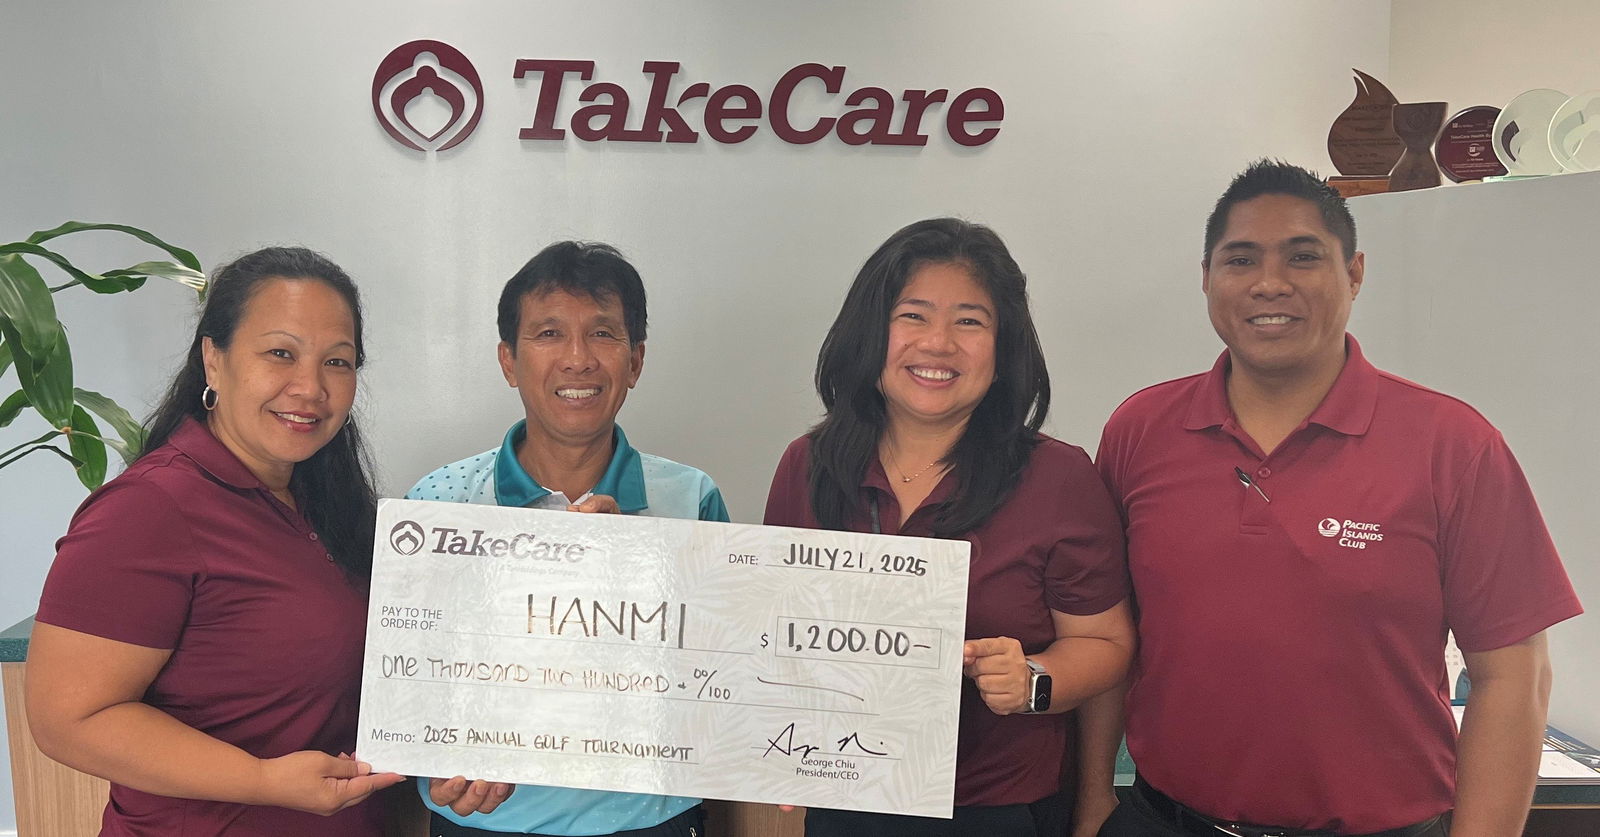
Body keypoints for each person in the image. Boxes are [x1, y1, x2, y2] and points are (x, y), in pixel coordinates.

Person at [1087, 160, 1584, 837]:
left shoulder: (1454, 445)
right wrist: (1092, 805)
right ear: (1206, 277)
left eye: (1302, 257)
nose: (1269, 283)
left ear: (1353, 273)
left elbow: (1514, 676)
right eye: (1240, 259)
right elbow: (1106, 636)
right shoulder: (1139, 431)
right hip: (1164, 819)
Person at [764, 217, 1136, 837]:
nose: (937, 344)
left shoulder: (1059, 477)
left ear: (1004, 346)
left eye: (969, 321)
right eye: (912, 316)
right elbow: (773, 636)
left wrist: (1033, 680)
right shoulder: (809, 466)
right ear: (870, 332)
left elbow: (1107, 645)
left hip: (1000, 811)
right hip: (846, 796)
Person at [27, 247, 407, 835]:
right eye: (280, 353)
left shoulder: (327, 503)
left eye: (338, 361)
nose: (310, 387)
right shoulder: (149, 509)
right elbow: (69, 719)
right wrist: (260, 780)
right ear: (213, 357)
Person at [408, 240, 729, 837]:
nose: (578, 359)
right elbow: (414, 672)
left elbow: (721, 679)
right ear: (508, 360)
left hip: (648, 819)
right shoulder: (440, 501)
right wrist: (433, 753)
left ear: (635, 361)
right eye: (549, 334)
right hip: (484, 816)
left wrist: (636, 571)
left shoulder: (692, 499)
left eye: (603, 335)